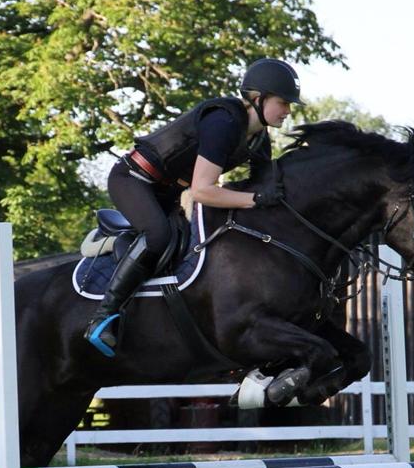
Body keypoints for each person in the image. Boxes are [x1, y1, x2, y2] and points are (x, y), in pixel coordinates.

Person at [83, 58, 305, 357]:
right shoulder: (223, 122)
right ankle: (103, 317)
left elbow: (262, 188)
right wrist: (253, 200)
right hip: (133, 180)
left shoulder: (258, 140)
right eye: (284, 102)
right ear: (258, 98)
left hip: (166, 192)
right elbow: (202, 191)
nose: (288, 110)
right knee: (159, 236)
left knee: (193, 246)